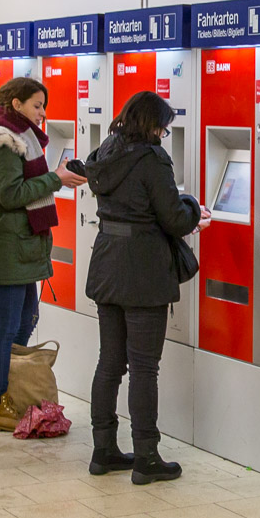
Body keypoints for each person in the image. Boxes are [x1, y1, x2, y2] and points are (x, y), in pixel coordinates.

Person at [84, 91, 211, 484]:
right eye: (163, 127)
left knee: (109, 362)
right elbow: (174, 219)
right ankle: (146, 457)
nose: (163, 134)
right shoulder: (152, 158)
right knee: (143, 367)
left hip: (107, 263)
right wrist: (194, 209)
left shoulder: (106, 151)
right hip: (143, 270)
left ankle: (103, 450)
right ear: (152, 124)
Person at [0, 77, 87, 431]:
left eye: (43, 106)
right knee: (5, 328)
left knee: (25, 320)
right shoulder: (4, 142)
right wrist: (56, 179)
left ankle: (12, 391)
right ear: (16, 104)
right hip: (8, 244)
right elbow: (10, 194)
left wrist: (56, 178)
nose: (42, 113)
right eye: (37, 105)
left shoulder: (24, 138)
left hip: (23, 243)